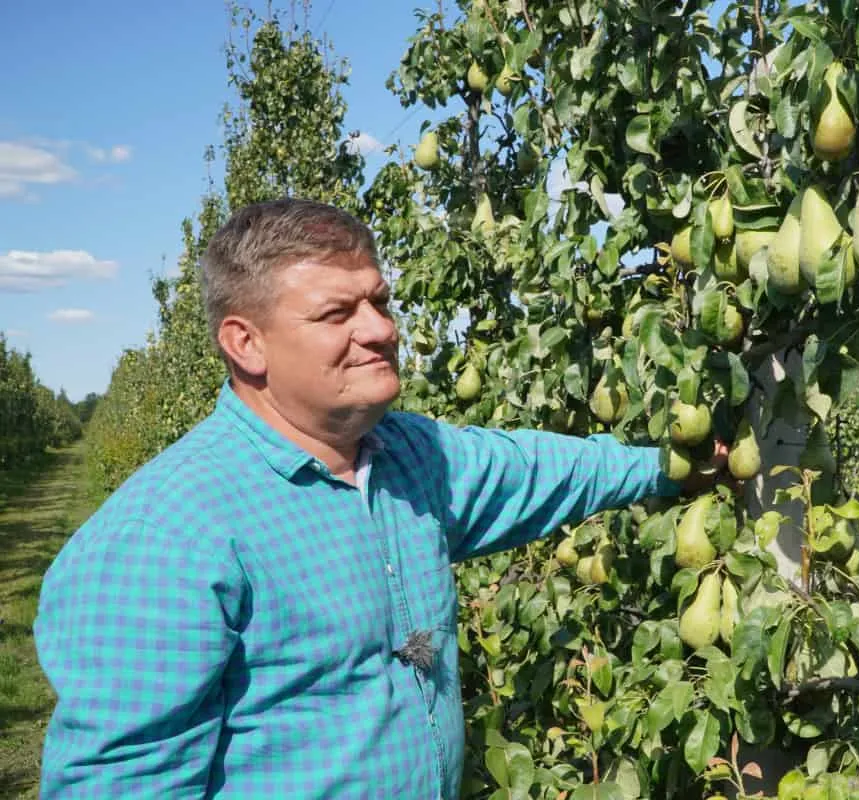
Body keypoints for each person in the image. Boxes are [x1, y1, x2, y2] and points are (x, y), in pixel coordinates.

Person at [34, 198, 724, 799]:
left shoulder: (409, 459)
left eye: (379, 302)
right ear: (246, 343)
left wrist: (673, 467)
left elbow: (542, 471)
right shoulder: (165, 534)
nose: (381, 329)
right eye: (338, 312)